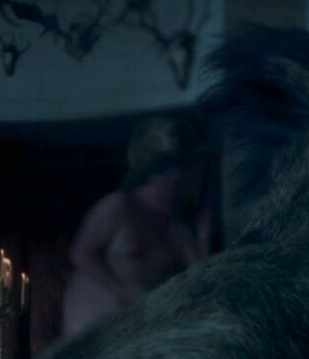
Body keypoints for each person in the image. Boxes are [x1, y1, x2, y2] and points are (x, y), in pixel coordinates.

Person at [61, 116, 213, 337]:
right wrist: (120, 291)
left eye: (184, 167)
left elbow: (201, 279)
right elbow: (81, 254)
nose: (181, 176)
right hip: (94, 330)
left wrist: (204, 229)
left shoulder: (180, 230)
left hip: (140, 335)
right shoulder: (119, 206)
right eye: (174, 167)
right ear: (157, 168)